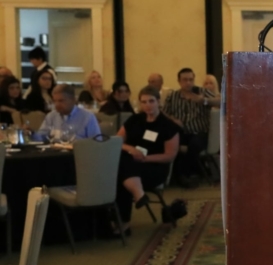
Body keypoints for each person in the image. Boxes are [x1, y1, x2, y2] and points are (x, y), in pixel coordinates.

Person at [115, 86, 180, 233]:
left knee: (120, 174)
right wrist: (131, 149)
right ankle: (138, 195)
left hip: (154, 167)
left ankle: (123, 224)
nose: (147, 105)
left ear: (158, 102)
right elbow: (117, 141)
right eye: (144, 102)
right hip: (131, 163)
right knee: (123, 165)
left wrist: (144, 158)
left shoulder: (168, 126)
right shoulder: (135, 120)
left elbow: (169, 156)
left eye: (151, 101)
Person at [163, 68, 214, 186]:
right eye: (185, 80)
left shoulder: (201, 92)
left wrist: (205, 101)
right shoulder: (173, 96)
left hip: (199, 131)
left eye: (191, 80)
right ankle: (182, 175)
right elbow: (163, 113)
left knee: (194, 145)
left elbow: (223, 101)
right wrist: (173, 119)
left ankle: (183, 174)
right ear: (179, 81)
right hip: (180, 131)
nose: (188, 83)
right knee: (168, 142)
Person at [32, 84, 101, 141]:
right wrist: (31, 133)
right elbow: (41, 138)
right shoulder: (51, 116)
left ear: (73, 100)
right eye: (54, 101)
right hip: (54, 152)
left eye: (61, 101)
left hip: (78, 152)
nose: (57, 105)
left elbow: (97, 143)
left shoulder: (87, 117)